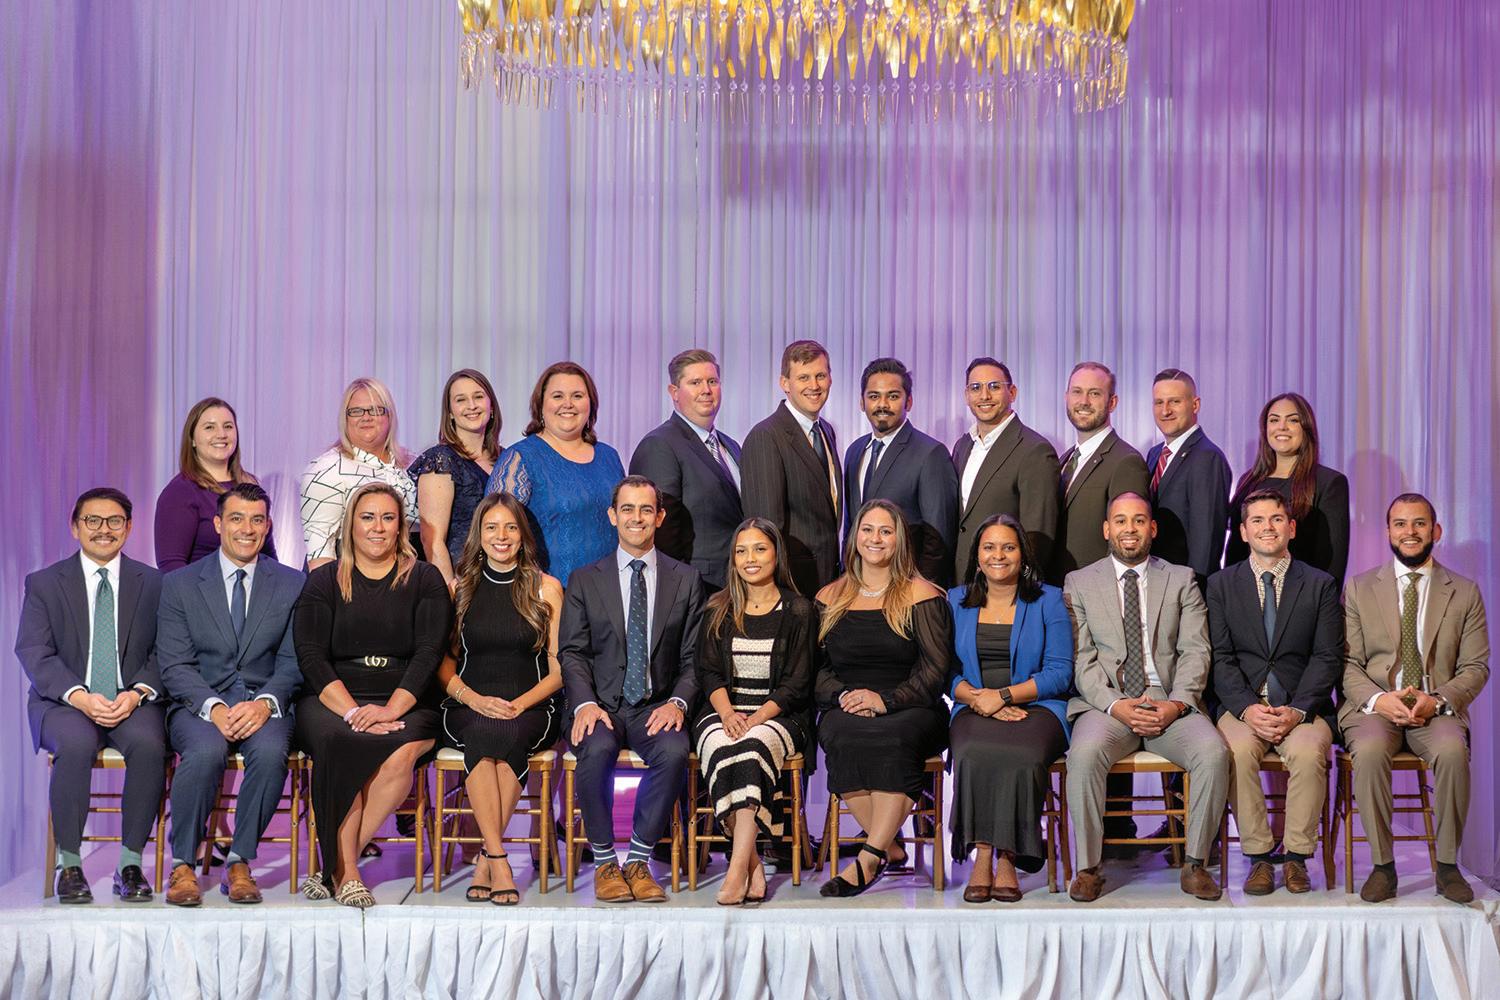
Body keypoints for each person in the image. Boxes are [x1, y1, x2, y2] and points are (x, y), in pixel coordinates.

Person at [1062, 493, 1229, 902]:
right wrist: (1115, 705)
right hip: (1107, 704)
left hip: (1169, 700)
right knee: (1083, 755)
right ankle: (1088, 867)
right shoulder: (1080, 582)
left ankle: (1195, 863)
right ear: (1107, 529)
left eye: (1139, 520)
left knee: (1213, 752)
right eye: (1121, 521)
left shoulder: (1182, 579)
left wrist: (1176, 703)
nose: (1130, 529)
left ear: (1152, 529)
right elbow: (1082, 659)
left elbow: (1196, 651)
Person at [292, 483, 451, 907]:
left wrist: (391, 708)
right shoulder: (324, 580)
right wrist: (352, 711)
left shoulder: (425, 579)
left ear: (400, 526)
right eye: (367, 517)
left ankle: (335, 867)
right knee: (340, 742)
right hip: (333, 697)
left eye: (388, 518)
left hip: (408, 696)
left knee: (402, 752)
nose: (377, 527)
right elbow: (310, 656)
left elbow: (429, 652)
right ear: (351, 525)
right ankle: (347, 872)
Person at [558, 476, 706, 903]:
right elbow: (572, 652)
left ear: (659, 517)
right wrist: (585, 704)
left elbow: (695, 657)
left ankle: (639, 861)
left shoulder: (686, 579)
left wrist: (678, 702)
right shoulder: (584, 579)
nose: (636, 518)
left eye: (645, 509)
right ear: (612, 516)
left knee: (674, 751)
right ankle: (606, 862)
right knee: (597, 747)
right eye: (627, 509)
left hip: (655, 705)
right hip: (599, 704)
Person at [156, 483, 305, 906]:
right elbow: (175, 665)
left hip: (264, 702)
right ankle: (183, 864)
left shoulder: (292, 583)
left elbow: (294, 661)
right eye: (237, 518)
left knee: (271, 753)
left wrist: (265, 703)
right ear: (219, 524)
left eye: (257, 520)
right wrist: (214, 707)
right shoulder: (180, 585)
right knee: (204, 753)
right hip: (198, 704)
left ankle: (239, 861)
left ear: (268, 526)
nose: (247, 529)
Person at [15, 488, 167, 904]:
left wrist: (136, 694)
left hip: (131, 699)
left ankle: (129, 865)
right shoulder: (45, 583)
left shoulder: (154, 583)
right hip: (64, 702)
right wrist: (79, 696)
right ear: (75, 527)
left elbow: (166, 651)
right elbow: (34, 650)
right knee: (77, 743)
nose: (104, 529)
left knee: (151, 745)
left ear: (129, 527)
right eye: (92, 520)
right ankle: (69, 865)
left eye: (114, 521)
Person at [1340, 494, 1489, 904]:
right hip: (1376, 706)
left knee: (1453, 750)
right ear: (1388, 531)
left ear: (1436, 530)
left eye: (1419, 523)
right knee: (1370, 750)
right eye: (1401, 524)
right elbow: (1346, 663)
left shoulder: (1464, 591)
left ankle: (1447, 866)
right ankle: (1383, 866)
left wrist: (1436, 700)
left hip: (1435, 706)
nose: (1410, 532)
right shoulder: (1359, 588)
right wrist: (1378, 700)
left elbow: (1476, 666)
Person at [814, 500, 951, 897]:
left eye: (886, 531)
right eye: (868, 529)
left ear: (899, 540)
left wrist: (885, 700)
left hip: (912, 706)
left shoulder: (922, 595)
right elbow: (816, 671)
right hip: (848, 705)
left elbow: (935, 672)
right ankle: (888, 845)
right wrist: (844, 696)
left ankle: (869, 857)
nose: (876, 538)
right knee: (841, 735)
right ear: (854, 537)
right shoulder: (829, 597)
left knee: (893, 738)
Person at [1207, 489, 1340, 896]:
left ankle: (1297, 857)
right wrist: (1247, 708)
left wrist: (1298, 710)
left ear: (1291, 528)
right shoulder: (1221, 585)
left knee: (1307, 753)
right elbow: (1221, 658)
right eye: (1258, 520)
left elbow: (1327, 656)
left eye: (1277, 519)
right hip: (1243, 705)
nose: (1268, 527)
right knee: (1235, 752)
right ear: (1243, 532)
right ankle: (1260, 857)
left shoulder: (1320, 585)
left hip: (1303, 706)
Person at [435, 492, 564, 905]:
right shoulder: (459, 589)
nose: (501, 536)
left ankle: (487, 861)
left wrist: (521, 704)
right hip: (468, 703)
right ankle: (498, 858)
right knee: (483, 734)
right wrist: (473, 699)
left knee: (506, 735)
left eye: (510, 527)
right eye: (491, 527)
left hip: (532, 705)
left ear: (523, 535)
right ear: (479, 534)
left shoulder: (547, 589)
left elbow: (559, 670)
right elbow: (444, 665)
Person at [947, 514, 1073, 903]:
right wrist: (977, 698)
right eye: (989, 547)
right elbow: (944, 670)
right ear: (977, 554)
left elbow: (1060, 672)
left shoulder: (1049, 599)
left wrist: (1002, 697)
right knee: (972, 751)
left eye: (1008, 547)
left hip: (1037, 707)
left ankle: (1008, 856)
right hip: (973, 704)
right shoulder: (955, 601)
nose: (998, 555)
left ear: (1023, 555)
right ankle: (983, 853)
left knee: (1022, 754)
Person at [694, 518, 815, 905]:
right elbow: (708, 672)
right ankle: (752, 865)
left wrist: (756, 719)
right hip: (725, 710)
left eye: (760, 549)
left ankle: (736, 869)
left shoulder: (799, 610)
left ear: (776, 555)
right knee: (720, 746)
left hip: (778, 715)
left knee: (751, 748)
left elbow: (797, 683)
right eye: (741, 551)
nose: (750, 558)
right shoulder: (718, 608)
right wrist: (728, 715)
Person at [487, 362, 625, 587]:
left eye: (577, 396)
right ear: (540, 405)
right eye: (558, 396)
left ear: (591, 404)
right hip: (551, 594)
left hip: (612, 590)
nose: (568, 404)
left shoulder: (609, 456)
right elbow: (495, 534)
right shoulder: (520, 459)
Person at [629, 349, 743, 591]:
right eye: (695, 382)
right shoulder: (659, 445)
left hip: (737, 584)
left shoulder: (731, 445)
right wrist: (681, 593)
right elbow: (662, 533)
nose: (706, 390)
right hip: (696, 588)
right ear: (674, 392)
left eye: (712, 381)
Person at [843, 358, 958, 587]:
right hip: (859, 585)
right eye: (874, 396)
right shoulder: (854, 451)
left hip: (906, 587)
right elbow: (851, 526)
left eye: (893, 396)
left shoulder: (930, 453)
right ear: (862, 402)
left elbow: (939, 540)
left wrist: (920, 594)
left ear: (909, 402)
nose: (882, 404)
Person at [740, 340, 843, 597]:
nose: (814, 385)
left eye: (820, 376)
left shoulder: (826, 430)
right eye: (803, 377)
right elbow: (765, 530)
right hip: (793, 587)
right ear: (785, 383)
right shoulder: (765, 436)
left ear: (830, 379)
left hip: (829, 581)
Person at [1225, 392, 1350, 591]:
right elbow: (1235, 550)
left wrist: (1323, 603)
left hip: (1302, 597)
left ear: (1306, 428)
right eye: (1274, 420)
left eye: (1293, 420)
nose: (1282, 427)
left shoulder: (1329, 483)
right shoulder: (1248, 481)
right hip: (1247, 596)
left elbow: (1333, 560)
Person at [952, 357, 1060, 582]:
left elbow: (1038, 535)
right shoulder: (962, 445)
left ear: (1012, 393)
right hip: (962, 582)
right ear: (966, 395)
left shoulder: (1035, 450)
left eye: (994, 386)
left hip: (1006, 585)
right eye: (976, 388)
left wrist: (1022, 588)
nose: (984, 396)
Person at [1050, 361, 1151, 586]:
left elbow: (1126, 542)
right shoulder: (1065, 459)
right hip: (1057, 589)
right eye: (1077, 392)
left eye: (1094, 393)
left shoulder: (1126, 462)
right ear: (1066, 397)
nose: (1084, 401)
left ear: (1112, 402)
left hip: (1094, 592)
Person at [300, 377, 417, 570]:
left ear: (390, 416)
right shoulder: (326, 468)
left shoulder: (413, 463)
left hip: (410, 571)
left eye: (376, 410)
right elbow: (319, 549)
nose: (366, 417)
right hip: (350, 574)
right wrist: (332, 589)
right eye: (356, 411)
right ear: (345, 419)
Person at [154, 397, 277, 572]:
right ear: (192, 439)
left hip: (253, 587)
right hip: (202, 588)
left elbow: (269, 556)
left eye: (228, 426)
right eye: (209, 427)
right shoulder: (180, 492)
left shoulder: (250, 485)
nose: (221, 434)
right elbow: (171, 566)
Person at [409, 369, 503, 586]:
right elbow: (432, 540)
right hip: (462, 582)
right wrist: (448, 591)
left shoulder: (507, 459)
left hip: (504, 579)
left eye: (478, 397)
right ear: (450, 412)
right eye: (461, 400)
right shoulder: (441, 460)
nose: (471, 405)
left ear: (491, 407)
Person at [1145, 369, 1231, 591]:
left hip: (1184, 589)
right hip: (1153, 583)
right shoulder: (1154, 454)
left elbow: (1207, 541)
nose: (1165, 410)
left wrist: (1194, 595)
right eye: (1159, 402)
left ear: (1195, 405)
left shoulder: (1207, 457)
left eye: (1175, 401)